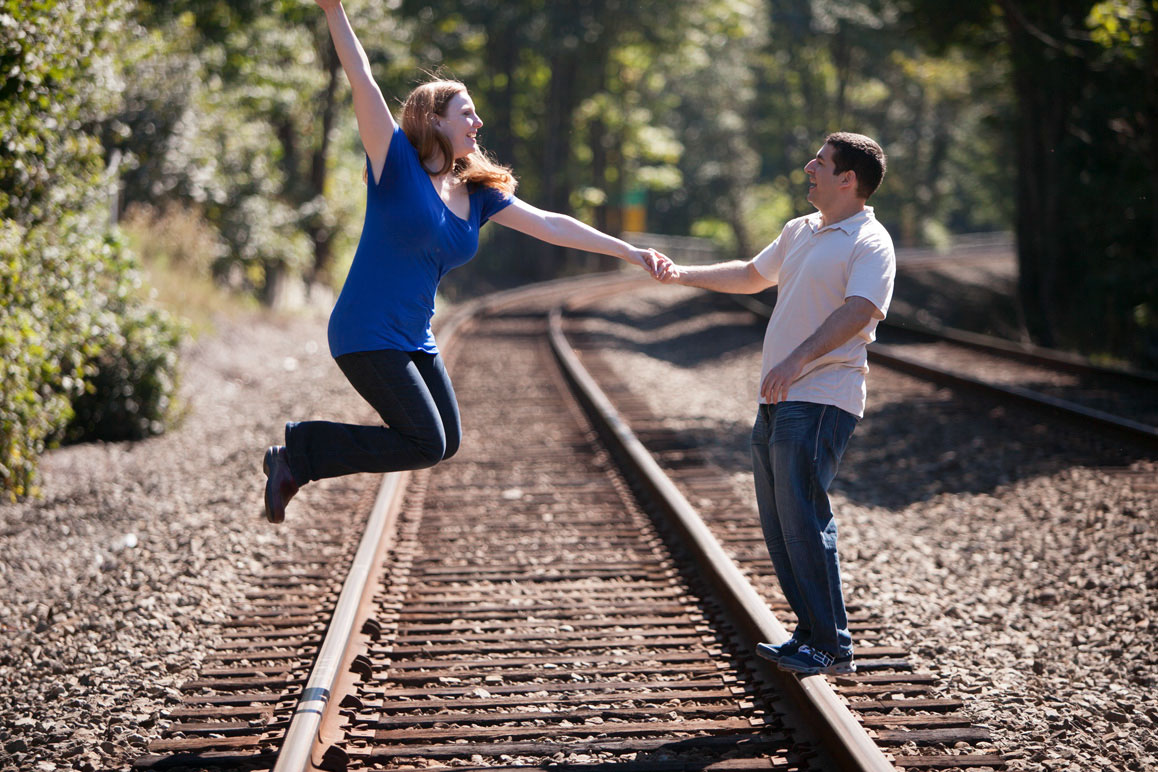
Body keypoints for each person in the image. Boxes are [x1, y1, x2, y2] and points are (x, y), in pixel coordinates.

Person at [262, 0, 664, 523]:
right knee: (425, 442)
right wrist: (334, 8)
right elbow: (361, 77)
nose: (479, 121)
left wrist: (628, 251)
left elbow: (550, 224)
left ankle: (298, 455)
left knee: (445, 441)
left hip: (413, 336)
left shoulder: (476, 192)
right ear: (434, 120)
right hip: (366, 331)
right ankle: (299, 453)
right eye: (467, 112)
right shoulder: (394, 161)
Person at [651, 133, 894, 676]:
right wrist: (682, 273)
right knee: (782, 521)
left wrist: (798, 359)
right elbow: (751, 275)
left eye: (821, 163)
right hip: (781, 396)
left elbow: (860, 310)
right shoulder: (801, 230)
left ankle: (832, 646)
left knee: (805, 518)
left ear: (847, 179)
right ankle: (809, 635)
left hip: (823, 396)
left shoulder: (870, 240)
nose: (809, 167)